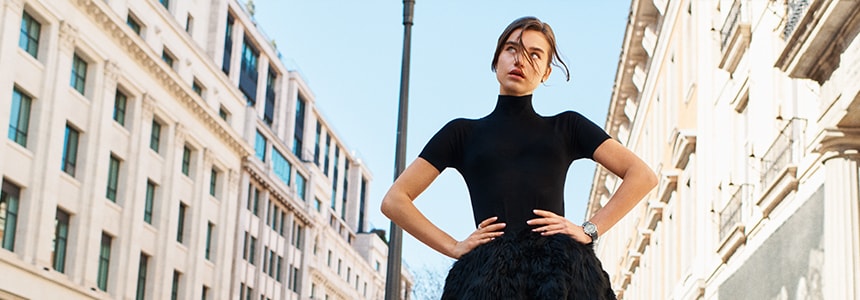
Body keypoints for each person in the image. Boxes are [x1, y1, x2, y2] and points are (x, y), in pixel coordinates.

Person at [381, 16, 657, 299]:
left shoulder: (567, 126)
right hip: (488, 277)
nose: (520, 60)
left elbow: (642, 175)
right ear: (496, 60)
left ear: (546, 73)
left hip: (562, 276)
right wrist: (453, 247)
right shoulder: (461, 133)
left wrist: (589, 230)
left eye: (534, 54)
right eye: (512, 49)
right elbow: (394, 200)